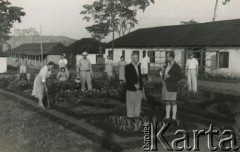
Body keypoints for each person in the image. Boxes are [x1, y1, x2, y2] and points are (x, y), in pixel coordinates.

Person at [160, 52, 181, 124]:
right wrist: (162, 74)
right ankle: (167, 116)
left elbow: (179, 77)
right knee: (167, 101)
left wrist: (170, 76)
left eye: (167, 57)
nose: (166, 58)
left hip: (172, 86)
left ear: (171, 57)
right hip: (165, 85)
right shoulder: (166, 66)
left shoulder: (177, 67)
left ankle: (174, 117)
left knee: (173, 101)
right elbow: (163, 75)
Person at [125, 53, 143, 118]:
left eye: (137, 58)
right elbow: (128, 77)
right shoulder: (127, 67)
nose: (137, 59)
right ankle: (130, 116)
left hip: (139, 87)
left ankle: (137, 115)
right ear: (132, 58)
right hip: (131, 87)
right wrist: (134, 84)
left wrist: (141, 86)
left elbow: (140, 77)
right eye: (135, 58)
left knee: (138, 102)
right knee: (131, 102)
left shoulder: (139, 66)